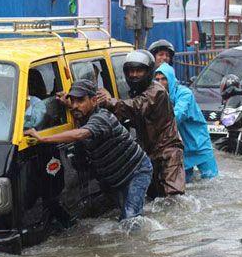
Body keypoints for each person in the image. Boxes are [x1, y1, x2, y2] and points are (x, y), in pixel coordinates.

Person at [25, 80, 153, 220]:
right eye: (72, 101)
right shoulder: (83, 113)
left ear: (93, 100)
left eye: (80, 101)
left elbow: (80, 134)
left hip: (136, 172)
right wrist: (68, 104)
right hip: (115, 179)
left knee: (131, 218)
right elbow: (77, 110)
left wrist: (42, 138)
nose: (75, 106)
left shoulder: (102, 118)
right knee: (123, 217)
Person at [97, 50, 185, 199]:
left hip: (168, 151)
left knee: (174, 198)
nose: (134, 75)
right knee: (152, 198)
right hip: (147, 152)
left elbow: (136, 107)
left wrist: (109, 100)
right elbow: (127, 116)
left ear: (148, 71)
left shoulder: (156, 91)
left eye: (139, 71)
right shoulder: (136, 91)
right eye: (131, 71)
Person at [154, 63, 218, 182]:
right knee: (185, 183)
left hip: (199, 142)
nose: (160, 82)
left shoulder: (184, 93)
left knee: (211, 179)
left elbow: (178, 114)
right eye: (157, 79)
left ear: (171, 79)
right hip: (182, 146)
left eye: (164, 79)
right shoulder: (160, 96)